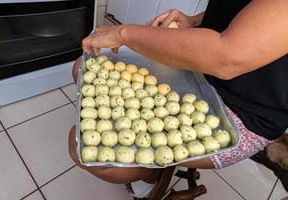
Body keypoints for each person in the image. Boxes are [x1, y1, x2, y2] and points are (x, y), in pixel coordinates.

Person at [69, 0, 288, 198]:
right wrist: (193, 21)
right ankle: (153, 168)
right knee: (82, 67)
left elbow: (226, 57)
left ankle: (150, 177)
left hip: (248, 109)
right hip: (202, 67)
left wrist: (124, 33)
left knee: (84, 150)